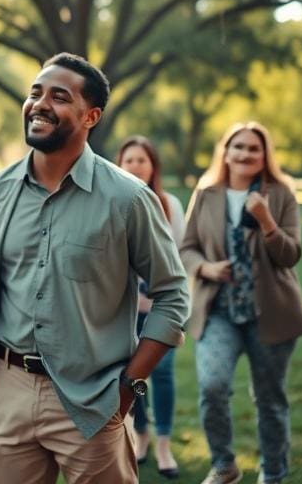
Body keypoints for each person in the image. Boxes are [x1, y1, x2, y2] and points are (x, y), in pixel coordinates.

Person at [0, 53, 189, 484]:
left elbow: (172, 295)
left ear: (91, 116)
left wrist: (128, 388)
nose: (40, 104)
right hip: (7, 389)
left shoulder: (129, 199)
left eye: (59, 97)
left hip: (94, 394)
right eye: (35, 92)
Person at [180, 122, 302, 484]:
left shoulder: (280, 194)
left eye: (254, 148)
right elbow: (186, 247)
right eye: (238, 147)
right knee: (212, 387)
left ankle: (272, 472)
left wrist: (267, 221)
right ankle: (224, 465)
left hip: (269, 313)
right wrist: (204, 267)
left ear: (265, 155)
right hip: (218, 311)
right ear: (226, 151)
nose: (246, 154)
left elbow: (290, 255)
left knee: (269, 400)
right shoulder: (206, 193)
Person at [116, 136, 185, 479]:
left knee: (165, 374)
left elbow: (180, 260)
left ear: (153, 166)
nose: (135, 166)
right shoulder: (113, 202)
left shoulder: (169, 205)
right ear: (119, 164)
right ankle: (140, 433)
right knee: (134, 375)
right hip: (126, 313)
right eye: (128, 160)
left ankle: (164, 442)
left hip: (162, 309)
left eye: (142, 160)